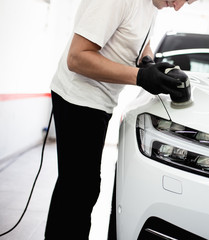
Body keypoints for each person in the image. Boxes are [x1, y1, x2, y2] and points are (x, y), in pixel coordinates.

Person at [44, 0, 197, 239]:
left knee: (75, 187)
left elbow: (140, 41)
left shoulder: (152, 6)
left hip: (99, 102)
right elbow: (76, 58)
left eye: (187, 3)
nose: (178, 7)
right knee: (81, 190)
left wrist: (150, 63)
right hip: (78, 99)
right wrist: (141, 77)